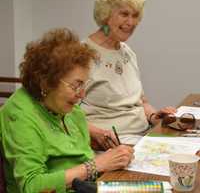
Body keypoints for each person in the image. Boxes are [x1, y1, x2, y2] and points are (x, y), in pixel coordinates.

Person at [0, 28, 133, 193]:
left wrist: (113, 158)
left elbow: (79, 156)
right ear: (46, 82)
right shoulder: (19, 114)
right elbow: (31, 185)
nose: (82, 94)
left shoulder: (63, 106)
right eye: (76, 85)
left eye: (84, 84)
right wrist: (97, 164)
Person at [80, 0, 176, 144]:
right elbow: (62, 114)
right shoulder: (81, 54)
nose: (131, 22)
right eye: (124, 14)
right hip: (110, 144)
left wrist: (154, 116)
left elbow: (141, 102)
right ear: (106, 14)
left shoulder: (127, 52)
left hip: (143, 137)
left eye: (135, 15)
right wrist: (97, 133)